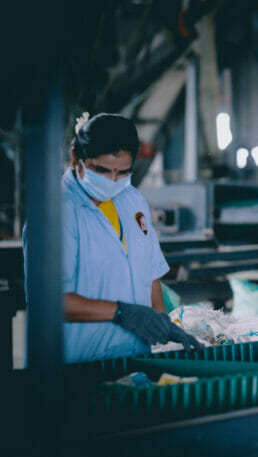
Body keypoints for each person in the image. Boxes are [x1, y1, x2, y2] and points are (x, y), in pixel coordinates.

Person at [23, 113, 201, 364]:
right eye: (102, 170)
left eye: (122, 172)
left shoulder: (133, 201)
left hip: (133, 361)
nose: (112, 181)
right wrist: (123, 313)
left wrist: (161, 323)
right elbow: (50, 301)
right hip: (73, 367)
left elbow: (150, 274)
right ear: (76, 158)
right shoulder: (54, 212)